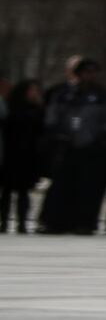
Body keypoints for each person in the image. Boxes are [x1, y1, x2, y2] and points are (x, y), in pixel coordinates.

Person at [41, 59, 106, 234]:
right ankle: (56, 222)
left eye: (92, 72)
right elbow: (53, 115)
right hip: (66, 145)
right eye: (85, 72)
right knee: (61, 186)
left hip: (91, 148)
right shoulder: (64, 92)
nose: (89, 76)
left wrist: (101, 138)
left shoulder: (103, 94)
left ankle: (84, 222)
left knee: (88, 187)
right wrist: (57, 133)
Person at [2, 76, 45, 232]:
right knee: (7, 192)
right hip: (10, 155)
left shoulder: (37, 110)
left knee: (23, 192)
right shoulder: (11, 108)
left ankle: (22, 222)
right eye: (31, 90)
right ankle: (4, 221)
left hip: (28, 156)